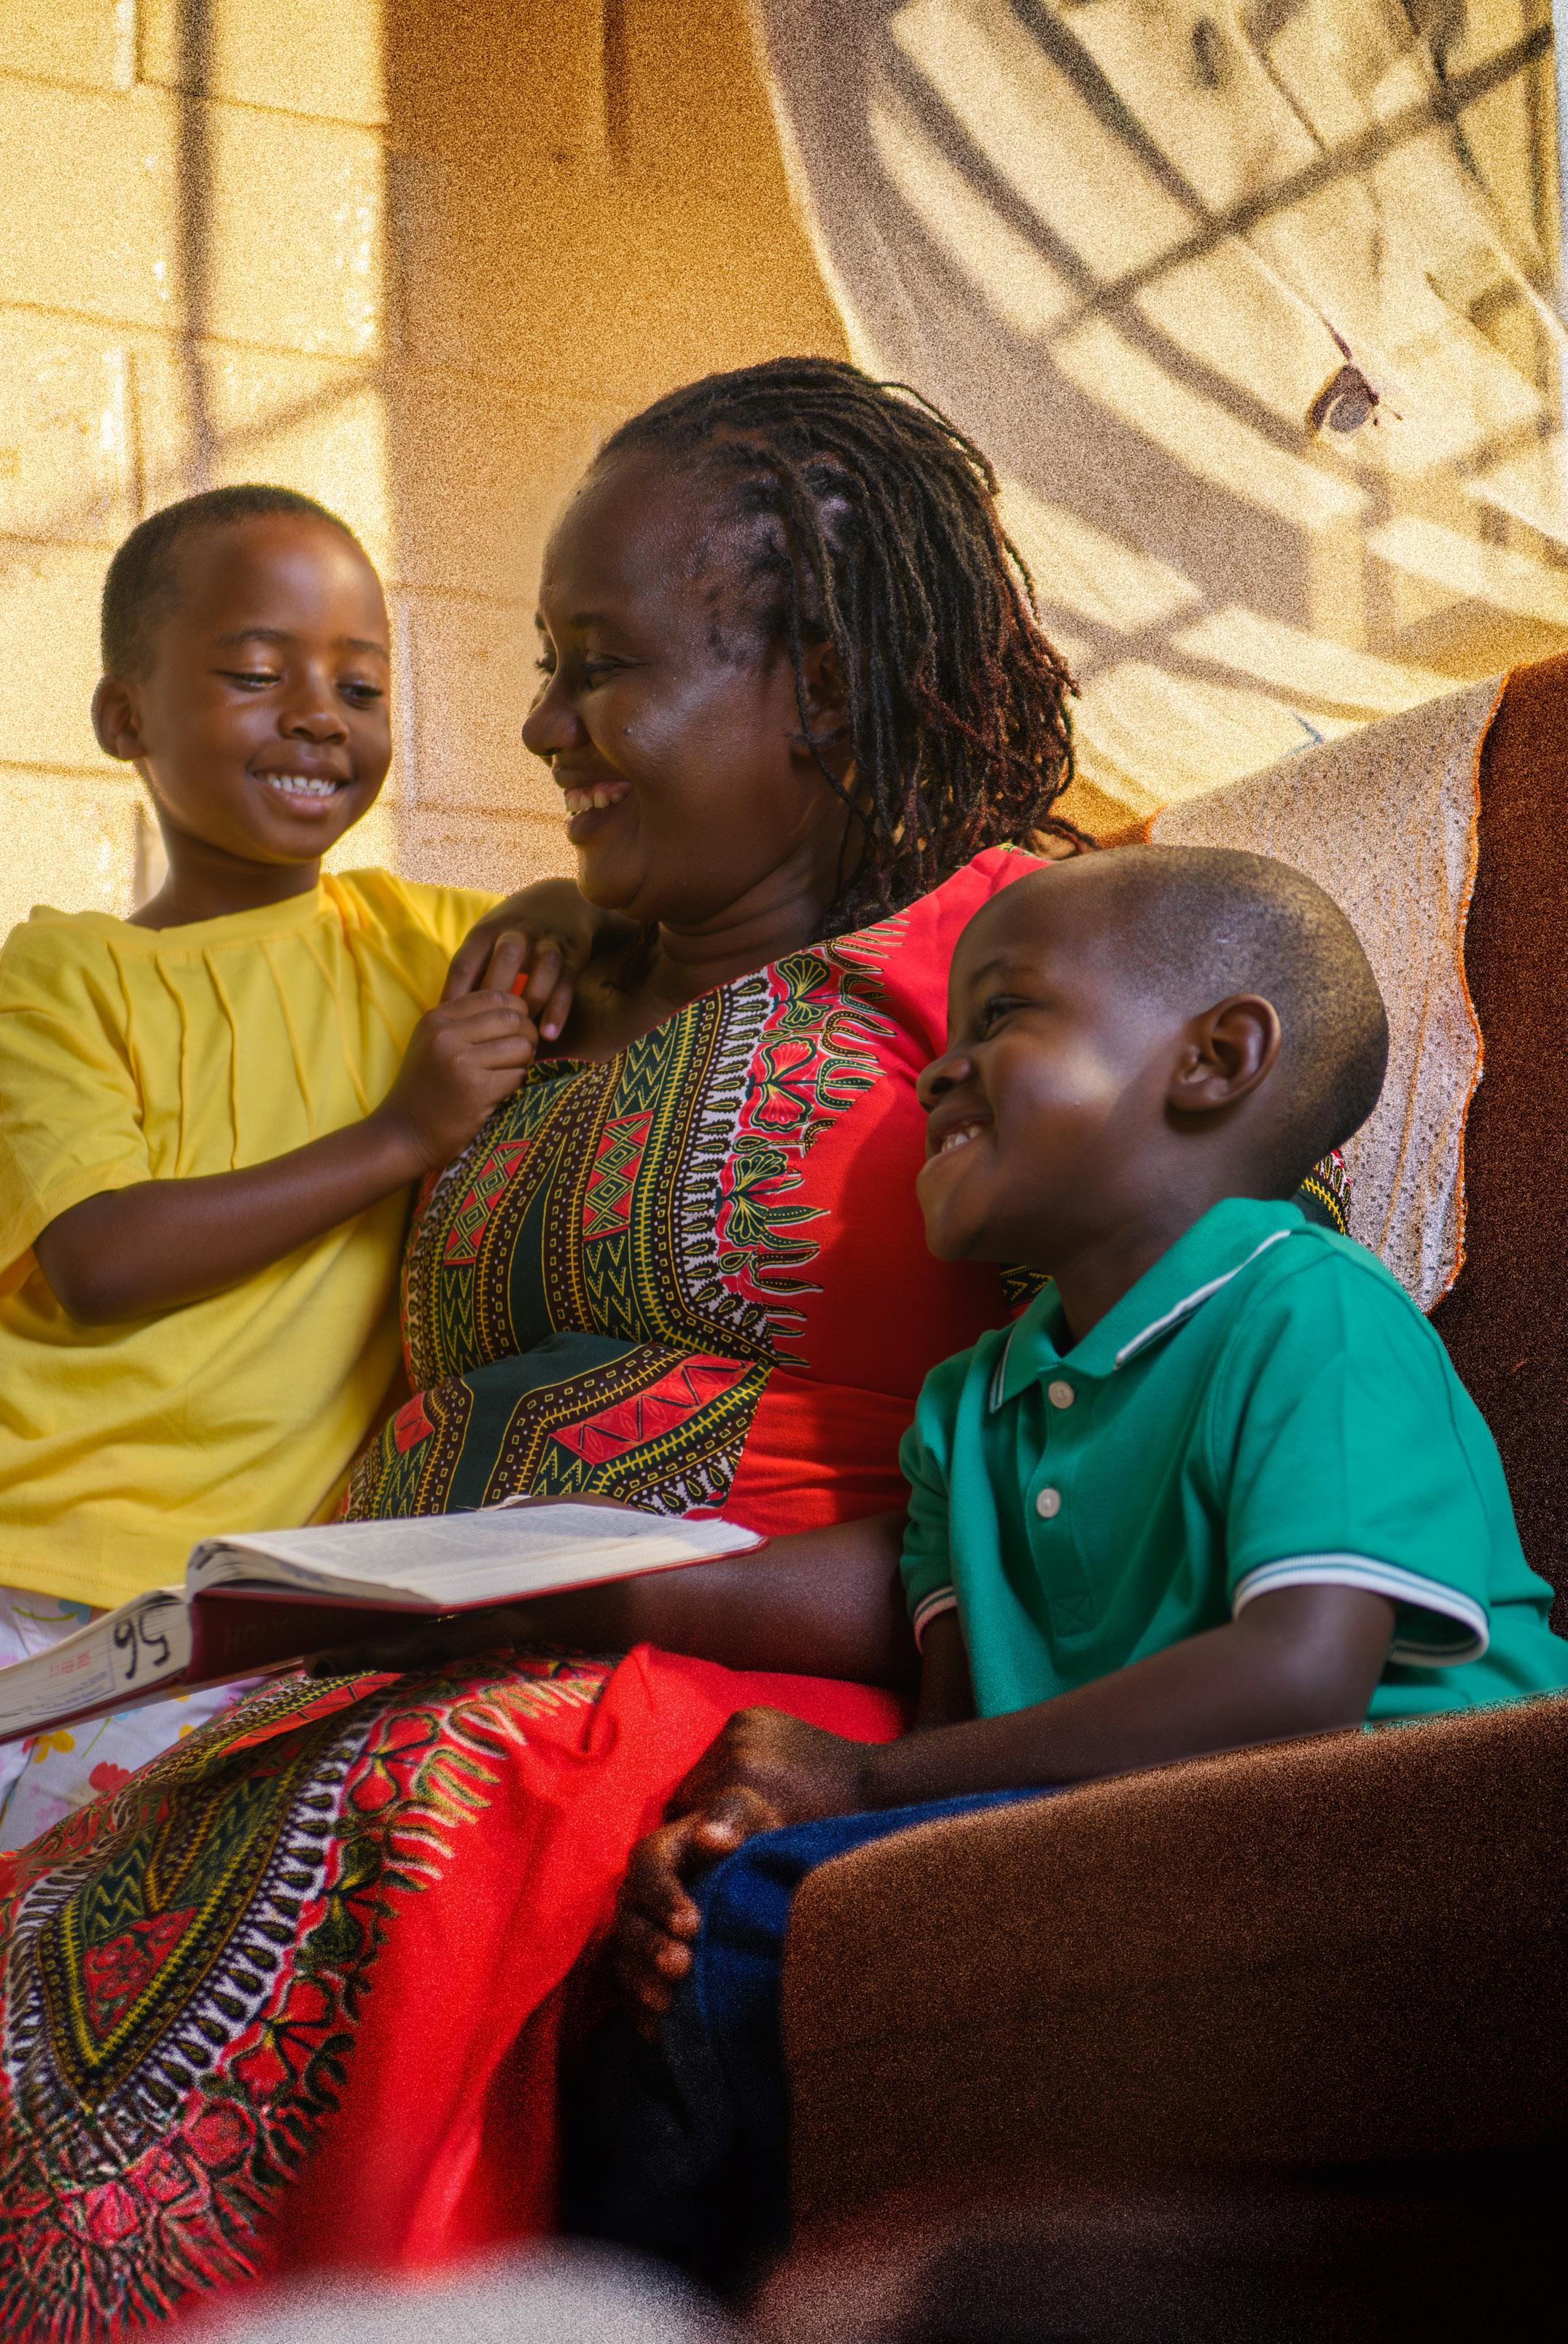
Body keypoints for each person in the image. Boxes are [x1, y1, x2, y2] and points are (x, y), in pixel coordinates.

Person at [0, 369, 1341, 2336]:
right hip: (372, 1654)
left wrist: (619, 1598)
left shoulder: (1039, 980)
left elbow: (1186, 1457)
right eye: (547, 670)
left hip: (736, 1667)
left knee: (432, 1805)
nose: (543, 726)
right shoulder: (533, 985)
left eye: (602, 667)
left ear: (819, 684)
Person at [577, 846, 1568, 2281]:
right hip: (1123, 1835)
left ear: (1214, 1060)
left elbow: (1300, 1675)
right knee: (702, 1927)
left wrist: (857, 1787)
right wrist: (760, 1828)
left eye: (1001, 1015)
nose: (939, 1070)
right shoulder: (967, 1407)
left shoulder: (1307, 1308)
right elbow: (956, 1734)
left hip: (1411, 1820)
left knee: (758, 1933)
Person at [0, 486, 550, 1847]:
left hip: (238, 1612)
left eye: (361, 687)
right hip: (36, 1563)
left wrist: (561, 922)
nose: (318, 716)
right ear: (125, 718)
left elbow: (604, 921)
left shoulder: (426, 945)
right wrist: (402, 1136)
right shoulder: (66, 973)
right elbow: (99, 1256)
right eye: (257, 674)